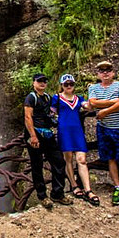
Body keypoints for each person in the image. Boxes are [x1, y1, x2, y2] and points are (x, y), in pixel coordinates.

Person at [88, 60, 119, 212]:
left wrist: (104, 111)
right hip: (104, 129)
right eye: (102, 71)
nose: (105, 73)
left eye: (108, 70)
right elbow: (93, 103)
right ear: (98, 74)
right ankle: (118, 187)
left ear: (113, 72)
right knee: (111, 159)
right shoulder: (93, 87)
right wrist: (114, 101)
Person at [24, 73, 73, 209]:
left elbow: (55, 110)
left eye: (45, 81)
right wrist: (33, 136)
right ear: (34, 83)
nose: (42, 83)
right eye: (39, 81)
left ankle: (57, 193)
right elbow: (28, 117)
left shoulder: (47, 97)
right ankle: (42, 196)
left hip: (47, 133)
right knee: (37, 165)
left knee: (59, 161)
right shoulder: (31, 97)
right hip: (35, 134)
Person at [51, 74, 99, 206]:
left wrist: (92, 92)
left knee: (82, 160)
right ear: (61, 85)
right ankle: (74, 185)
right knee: (68, 159)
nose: (68, 86)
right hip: (64, 131)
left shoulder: (78, 98)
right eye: (66, 84)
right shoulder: (57, 98)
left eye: (71, 84)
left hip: (77, 131)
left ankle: (88, 189)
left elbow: (88, 106)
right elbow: (51, 112)